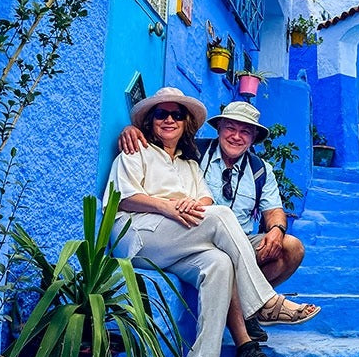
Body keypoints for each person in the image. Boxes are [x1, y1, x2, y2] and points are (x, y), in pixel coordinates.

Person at [105, 87, 320, 357]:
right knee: (221, 217)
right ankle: (264, 303)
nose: (169, 120)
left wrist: (196, 206)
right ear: (150, 121)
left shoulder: (189, 162)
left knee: (219, 263)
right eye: (161, 114)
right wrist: (167, 206)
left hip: (183, 238)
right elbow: (123, 197)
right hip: (139, 236)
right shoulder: (137, 150)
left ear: (186, 123)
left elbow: (205, 200)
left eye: (176, 115)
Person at [119, 101, 308, 342]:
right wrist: (131, 130)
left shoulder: (261, 170)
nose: (236, 137)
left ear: (253, 139)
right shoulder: (193, 152)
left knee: (291, 247)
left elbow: (274, 210)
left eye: (245, 132)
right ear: (218, 129)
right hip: (194, 238)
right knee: (222, 246)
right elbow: (164, 138)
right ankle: (261, 305)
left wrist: (276, 230)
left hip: (242, 243)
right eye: (230, 128)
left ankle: (248, 306)